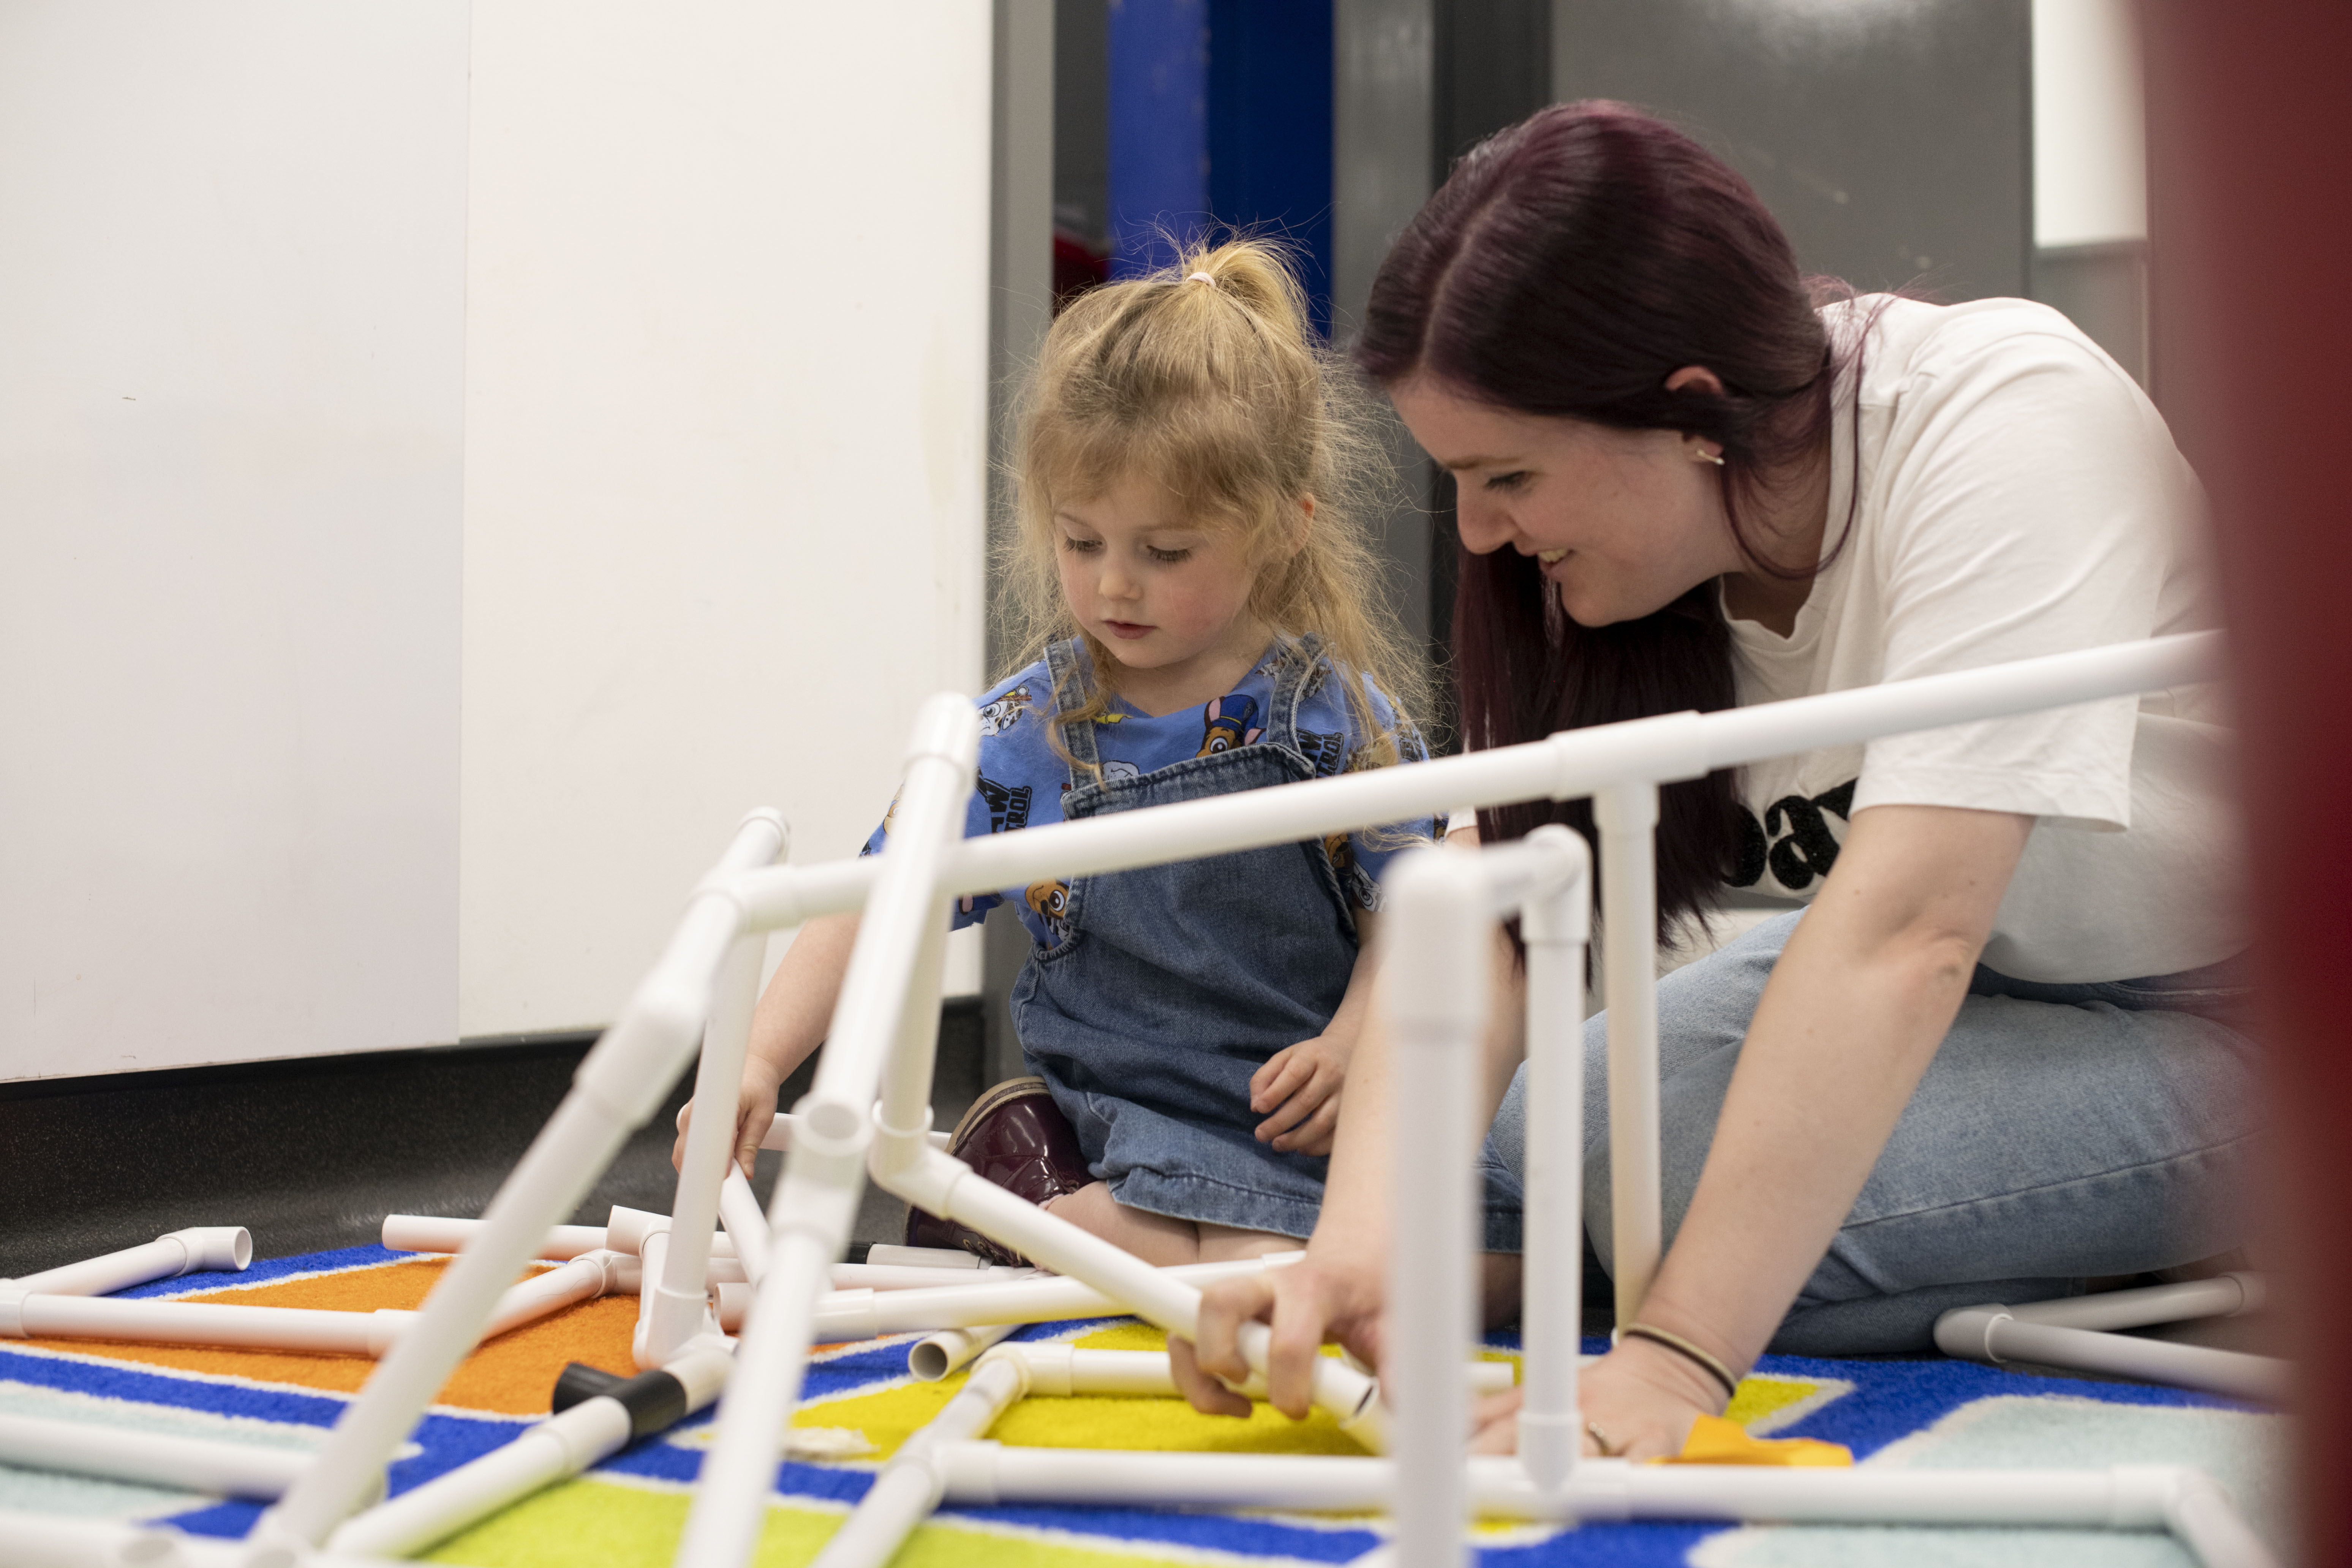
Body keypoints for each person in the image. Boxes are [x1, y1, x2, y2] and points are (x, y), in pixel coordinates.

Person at [1173, 102, 2256, 1457]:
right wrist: (1356, 1256)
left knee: (1683, 1208)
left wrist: (1674, 1363)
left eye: (1508, 475)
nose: (1481, 532)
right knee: (1569, 1125)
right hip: (2027, 977)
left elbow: (1912, 930)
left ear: (1693, 417)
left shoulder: (2008, 416)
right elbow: (1485, 902)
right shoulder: (1622, 573)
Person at [677, 238, 1436, 1266]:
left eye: (1163, 553)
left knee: (1504, 1251)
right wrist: (760, 1059)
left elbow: (1417, 908)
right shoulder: (1030, 730)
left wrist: (1353, 1043)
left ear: (1282, 529)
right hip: (1140, 1124)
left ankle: (1021, 1214)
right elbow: (879, 897)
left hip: (1321, 1115)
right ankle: (1024, 1197)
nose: (1115, 585)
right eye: (1082, 544)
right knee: (1265, 1273)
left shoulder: (1334, 712)